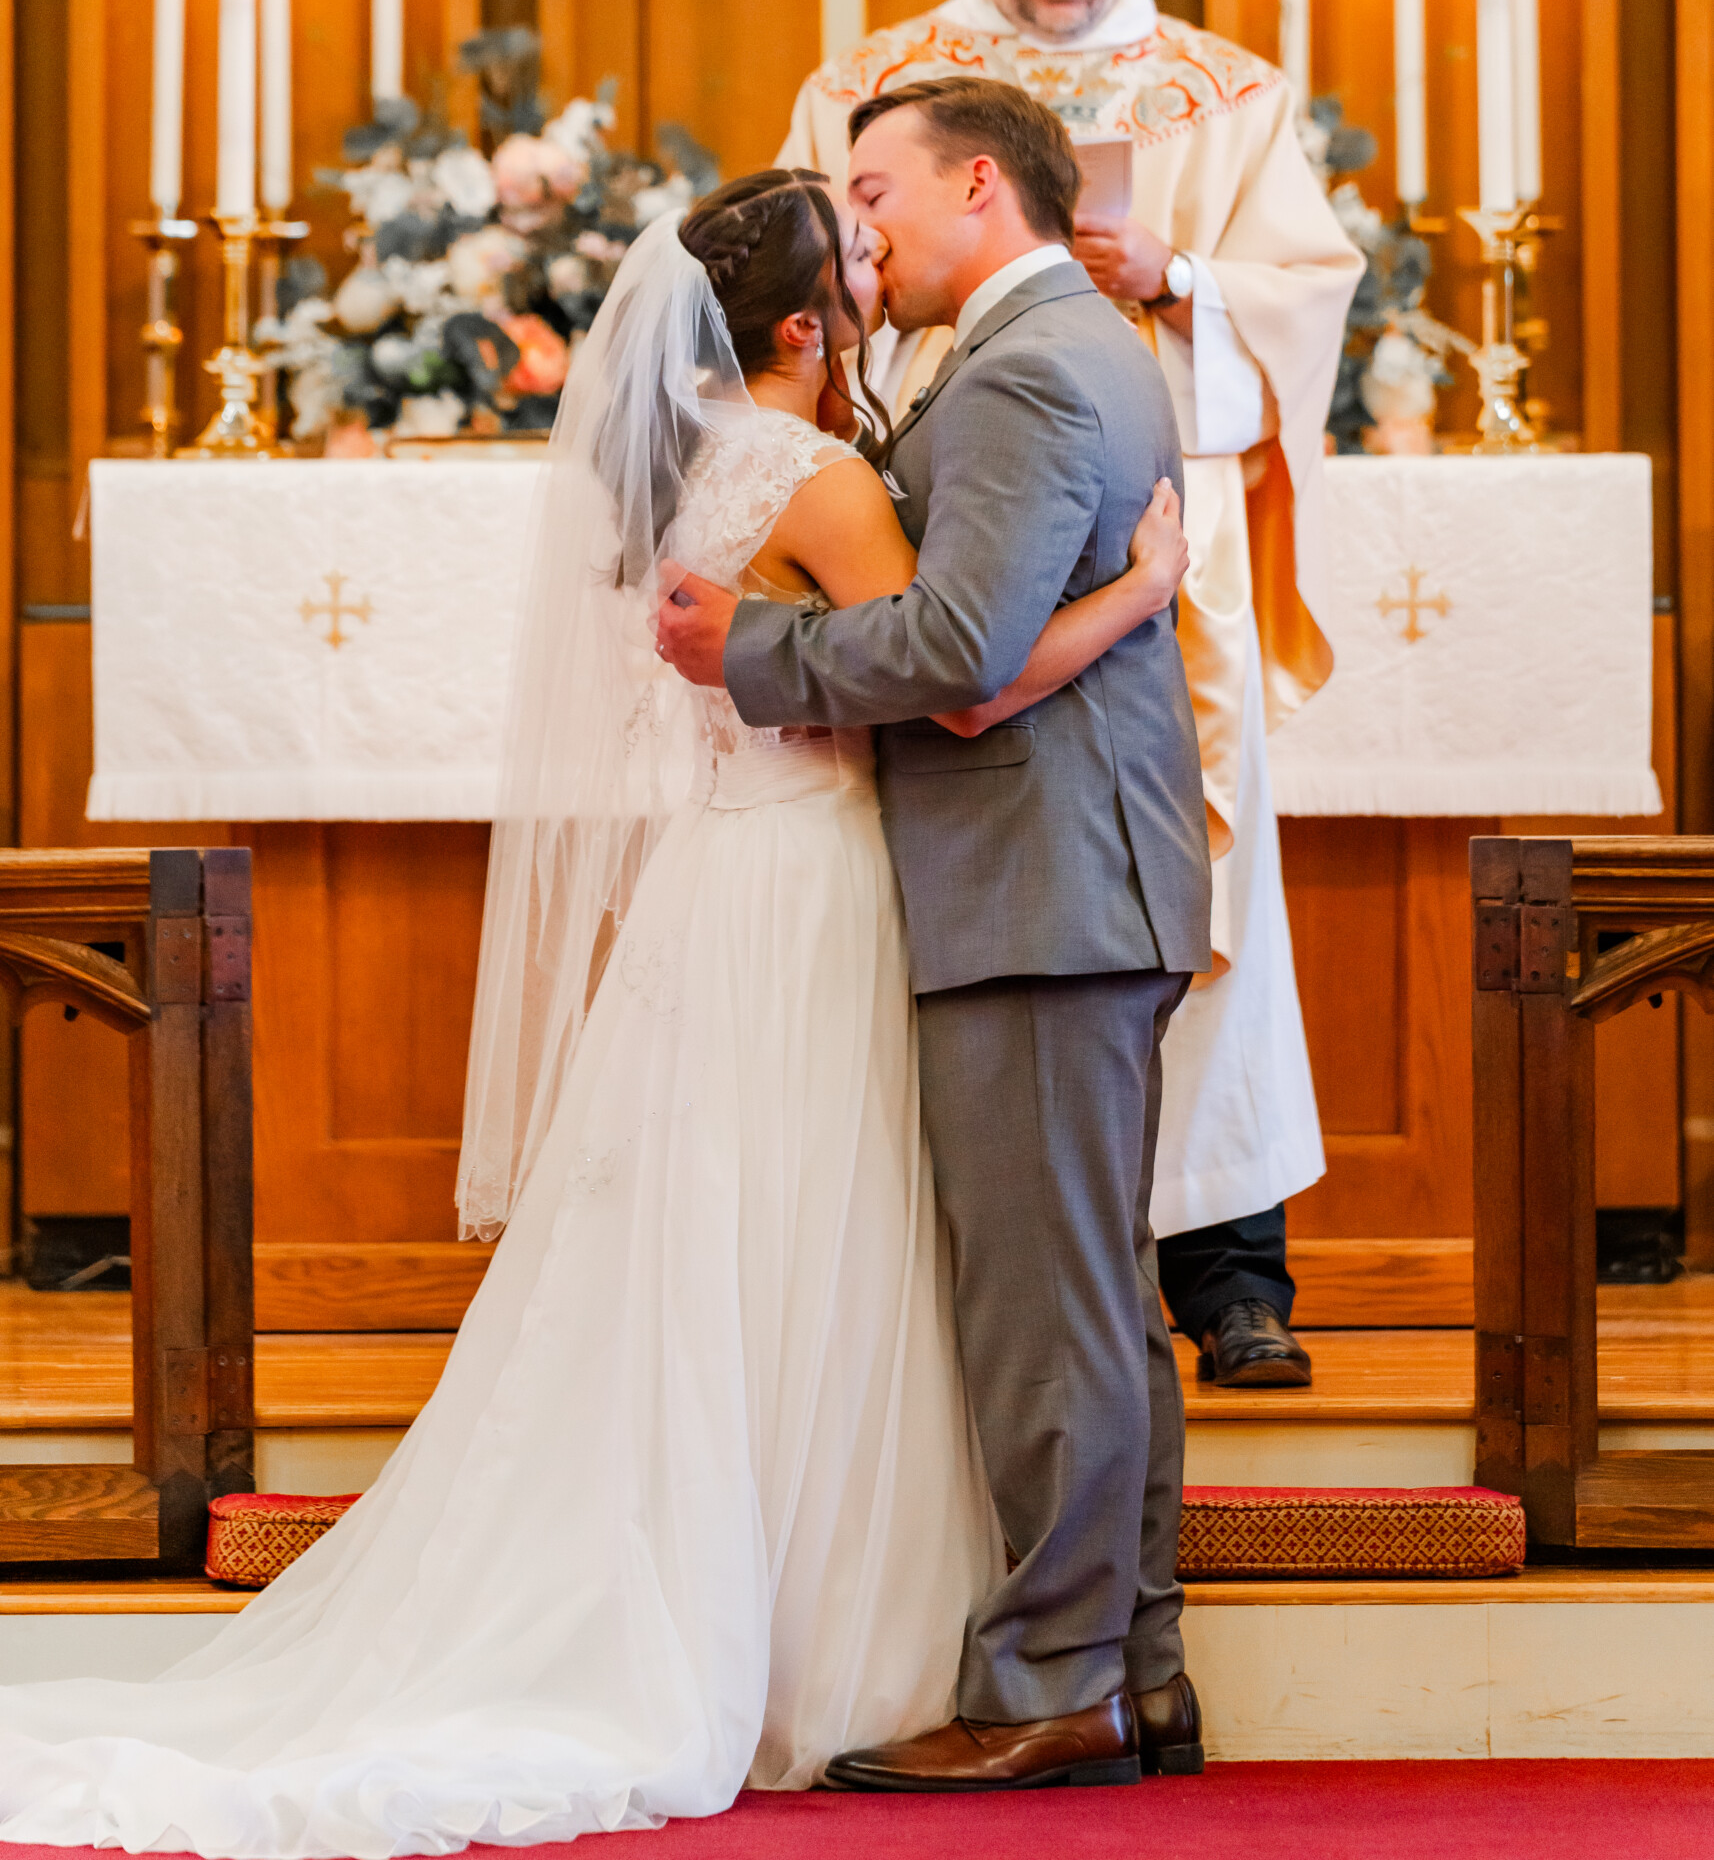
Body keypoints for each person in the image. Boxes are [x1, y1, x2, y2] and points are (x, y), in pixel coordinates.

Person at [0, 173, 1192, 1855]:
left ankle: (784, 1606)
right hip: (816, 890)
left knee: (720, 1252)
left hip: (718, 886)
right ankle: (835, 1639)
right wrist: (1139, 593)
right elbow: (955, 681)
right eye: (854, 247)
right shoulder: (823, 478)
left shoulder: (698, 467)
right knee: (821, 1240)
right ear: (804, 325)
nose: (879, 254)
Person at [658, 80, 1213, 1791]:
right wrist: (1136, 592)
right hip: (1057, 881)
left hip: (1040, 884)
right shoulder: (1049, 348)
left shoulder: (1032, 365)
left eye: (877, 189)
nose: (864, 228)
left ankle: (1054, 1683)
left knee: (1047, 1313)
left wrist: (748, 654)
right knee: (1087, 1297)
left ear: (980, 183)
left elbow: (962, 659)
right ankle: (1132, 1669)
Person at [781, 0, 1363, 1389]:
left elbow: (1309, 299)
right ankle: (982, 1265)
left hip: (1169, 545)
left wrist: (1178, 278)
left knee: (1201, 889)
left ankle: (1227, 1267)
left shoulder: (1223, 94)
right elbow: (805, 305)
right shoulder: (870, 90)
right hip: (945, 525)